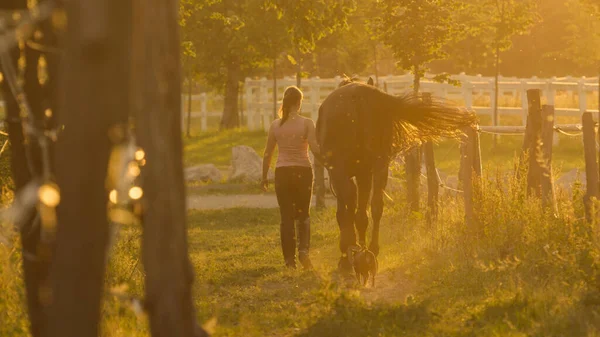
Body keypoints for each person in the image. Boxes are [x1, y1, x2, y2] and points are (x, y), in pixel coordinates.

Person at [262, 86, 321, 270]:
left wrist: (264, 176)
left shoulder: (275, 125)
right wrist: (330, 159)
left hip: (283, 173)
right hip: (303, 172)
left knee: (286, 217)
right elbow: (315, 148)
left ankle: (289, 260)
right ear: (299, 102)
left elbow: (267, 153)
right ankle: (303, 252)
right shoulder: (307, 123)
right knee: (303, 215)